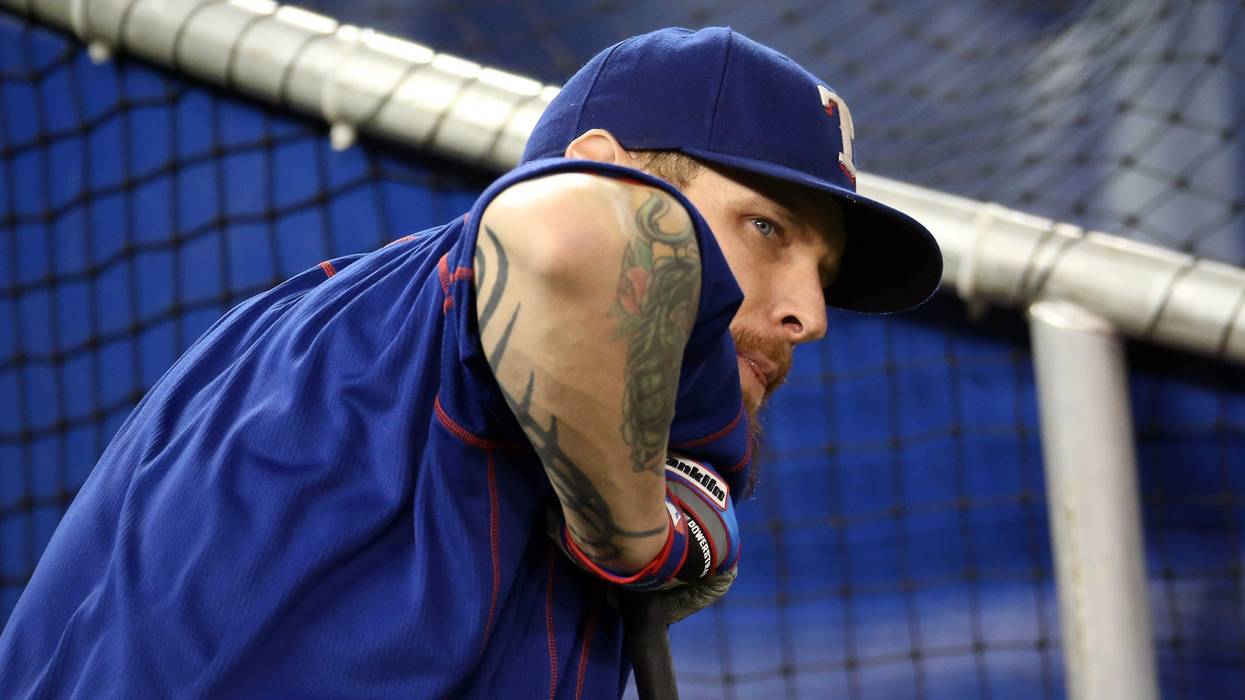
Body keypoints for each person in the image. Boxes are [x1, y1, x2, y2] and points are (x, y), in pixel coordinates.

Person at [0, 27, 940, 698]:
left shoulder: (547, 422)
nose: (805, 314)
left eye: (821, 273)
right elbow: (572, 238)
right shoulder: (432, 301)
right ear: (601, 162)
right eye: (764, 228)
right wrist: (635, 533)